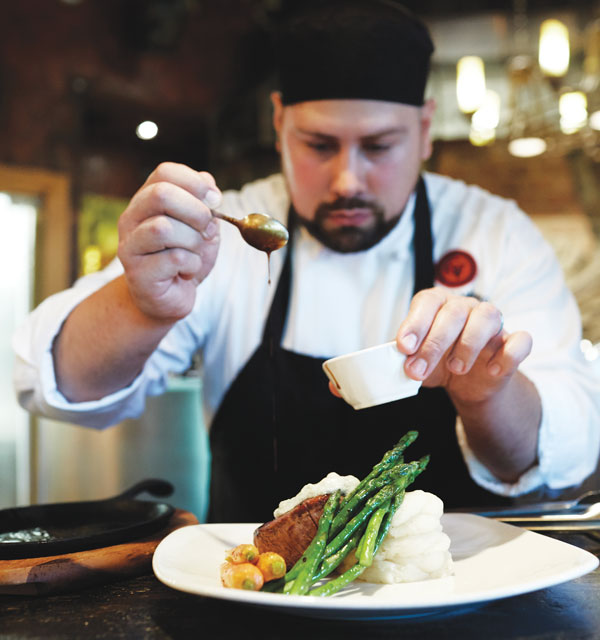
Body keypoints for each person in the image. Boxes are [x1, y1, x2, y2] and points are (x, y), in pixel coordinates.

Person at [13, 0, 600, 522]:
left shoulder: (497, 233)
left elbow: (566, 452)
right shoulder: (225, 228)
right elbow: (47, 381)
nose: (347, 180)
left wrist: (488, 394)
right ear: (278, 124)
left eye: (378, 146)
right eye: (319, 145)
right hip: (256, 597)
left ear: (424, 129)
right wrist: (139, 305)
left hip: (461, 598)